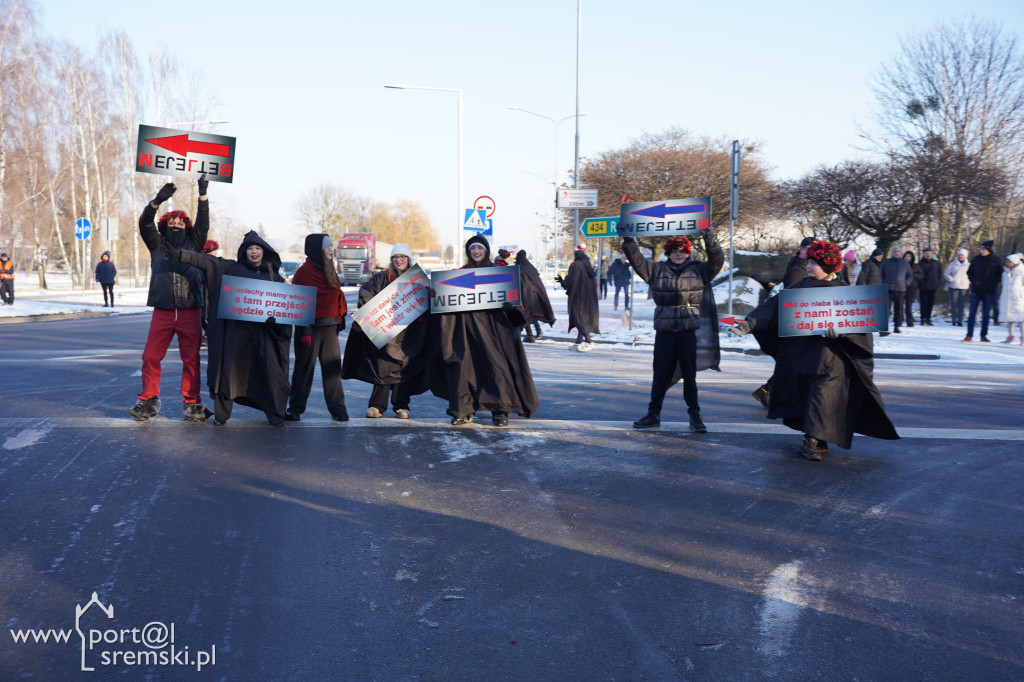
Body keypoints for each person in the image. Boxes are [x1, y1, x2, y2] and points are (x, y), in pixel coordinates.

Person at [728, 240, 899, 461]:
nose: (808, 266)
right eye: (808, 261)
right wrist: (750, 323)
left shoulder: (845, 293)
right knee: (807, 397)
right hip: (801, 356)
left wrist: (842, 333)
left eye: (814, 263)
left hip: (832, 359)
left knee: (823, 397)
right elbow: (774, 308)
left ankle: (814, 443)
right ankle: (817, 441)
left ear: (828, 266)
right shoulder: (799, 288)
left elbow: (860, 328)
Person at [165, 230, 292, 426]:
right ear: (244, 252)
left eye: (258, 248)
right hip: (236, 335)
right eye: (250, 248)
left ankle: (275, 414)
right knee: (229, 373)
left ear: (264, 251)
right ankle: (222, 415)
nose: (254, 252)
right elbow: (207, 261)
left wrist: (278, 320)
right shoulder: (232, 269)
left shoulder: (274, 276)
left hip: (264, 336)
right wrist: (180, 254)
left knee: (270, 373)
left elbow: (286, 308)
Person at [430, 235, 539, 426]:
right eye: (472, 248)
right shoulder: (459, 274)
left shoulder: (499, 273)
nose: (476, 252)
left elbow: (518, 306)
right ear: (468, 252)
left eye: (479, 248)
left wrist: (510, 308)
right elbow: (444, 304)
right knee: (464, 370)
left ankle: (500, 411)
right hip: (464, 330)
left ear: (486, 250)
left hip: (494, 330)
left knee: (496, 368)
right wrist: (434, 295)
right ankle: (463, 411)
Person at [624, 230, 724, 433]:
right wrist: (628, 240)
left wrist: (709, 239)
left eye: (683, 251)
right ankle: (653, 414)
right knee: (660, 375)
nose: (679, 254)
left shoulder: (700, 270)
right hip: (665, 331)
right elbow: (637, 260)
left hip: (688, 330)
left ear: (688, 253)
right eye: (674, 251)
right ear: (668, 253)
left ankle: (695, 415)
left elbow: (716, 262)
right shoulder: (656, 270)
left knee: (690, 375)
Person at [128, 177, 210, 422]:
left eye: (180, 222)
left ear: (186, 226)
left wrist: (203, 193)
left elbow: (203, 224)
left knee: (191, 358)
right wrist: (156, 201)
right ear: (165, 224)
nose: (176, 224)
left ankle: (192, 402)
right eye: (172, 221)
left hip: (190, 309)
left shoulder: (195, 243)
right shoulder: (156, 244)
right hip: (162, 309)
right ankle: (148, 399)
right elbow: (144, 224)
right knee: (151, 356)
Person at [342, 243, 433, 419]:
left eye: (402, 257)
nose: (399, 260)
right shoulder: (381, 277)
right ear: (391, 260)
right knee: (381, 367)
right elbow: (366, 292)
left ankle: (401, 405)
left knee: (404, 368)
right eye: (395, 257)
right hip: (385, 331)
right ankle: (377, 405)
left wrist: (431, 296)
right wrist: (367, 302)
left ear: (409, 259)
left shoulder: (417, 279)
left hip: (409, 334)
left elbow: (430, 301)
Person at [285, 233, 349, 422]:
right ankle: (295, 408)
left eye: (331, 247)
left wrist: (339, 320)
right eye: (327, 247)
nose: (331, 250)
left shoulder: (330, 269)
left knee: (333, 371)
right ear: (317, 249)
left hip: (329, 327)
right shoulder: (304, 272)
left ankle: (338, 410)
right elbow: (297, 302)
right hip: (310, 330)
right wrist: (303, 329)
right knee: (304, 370)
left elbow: (335, 295)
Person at [556, 245, 600, 351]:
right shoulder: (587, 264)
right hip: (589, 297)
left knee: (577, 317)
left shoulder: (575, 265)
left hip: (578, 296)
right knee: (582, 318)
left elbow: (570, 281)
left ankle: (589, 342)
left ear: (576, 253)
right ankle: (578, 343)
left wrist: (562, 281)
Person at [965, 240, 1002, 342]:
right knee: (972, 313)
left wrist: (993, 283)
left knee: (986, 315)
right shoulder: (976, 259)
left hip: (989, 291)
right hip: (976, 290)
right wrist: (974, 281)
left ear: (989, 250)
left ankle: (983, 336)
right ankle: (969, 335)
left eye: (983, 250)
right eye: (980, 249)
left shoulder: (996, 260)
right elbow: (969, 272)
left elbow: (1000, 274)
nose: (981, 251)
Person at [515, 249, 555, 343]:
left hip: (525, 294)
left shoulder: (519, 267)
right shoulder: (530, 266)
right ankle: (538, 331)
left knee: (525, 314)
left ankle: (530, 335)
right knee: (532, 313)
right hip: (535, 294)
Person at [881, 246, 912, 333]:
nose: (896, 253)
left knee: (898, 309)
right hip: (888, 289)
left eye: (898, 252)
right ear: (892, 253)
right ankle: (884, 328)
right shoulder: (886, 262)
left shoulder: (905, 263)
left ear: (901, 253)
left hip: (901, 289)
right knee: (886, 309)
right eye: (895, 252)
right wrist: (884, 282)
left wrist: (906, 283)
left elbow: (910, 275)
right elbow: (881, 273)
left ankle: (896, 327)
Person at [998, 253, 1024, 345]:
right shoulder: (1005, 273)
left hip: (1018, 298)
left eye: (1009, 261)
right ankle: (1011, 337)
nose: (1007, 263)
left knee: (1021, 319)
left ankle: (1023, 338)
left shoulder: (1021, 272)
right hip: (1007, 297)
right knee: (1009, 318)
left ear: (1015, 262)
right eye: (1007, 261)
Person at [944, 248, 970, 326]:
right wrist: (951, 279)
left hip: (964, 287)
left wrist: (969, 281)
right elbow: (946, 273)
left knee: (961, 304)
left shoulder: (969, 265)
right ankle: (954, 320)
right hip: (953, 286)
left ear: (965, 256)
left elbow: (972, 275)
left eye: (962, 255)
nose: (961, 257)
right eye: (959, 255)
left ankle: (960, 320)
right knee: (954, 304)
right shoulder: (952, 264)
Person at [917, 248, 941, 325]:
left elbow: (939, 273)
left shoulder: (936, 263)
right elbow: (917, 275)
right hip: (923, 287)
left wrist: (937, 283)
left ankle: (928, 318)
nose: (928, 254)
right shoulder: (920, 264)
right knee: (923, 303)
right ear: (923, 254)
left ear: (932, 254)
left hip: (933, 287)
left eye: (930, 253)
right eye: (926, 253)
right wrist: (921, 283)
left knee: (930, 303)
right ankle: (922, 318)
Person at [903, 250, 924, 327]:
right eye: (906, 256)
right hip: (902, 286)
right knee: (900, 305)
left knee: (908, 305)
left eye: (909, 256)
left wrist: (913, 276)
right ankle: (899, 321)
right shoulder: (901, 265)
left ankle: (910, 322)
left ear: (912, 258)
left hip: (912, 286)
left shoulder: (915, 266)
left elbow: (921, 275)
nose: (907, 258)